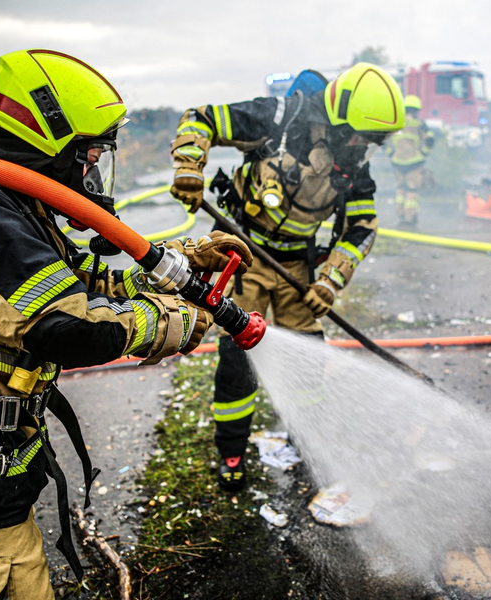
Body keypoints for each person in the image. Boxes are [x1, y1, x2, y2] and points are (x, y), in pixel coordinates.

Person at [0, 49, 251, 599]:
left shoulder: (7, 202)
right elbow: (65, 322)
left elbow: (80, 277)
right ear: (48, 140)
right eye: (89, 154)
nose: (92, 169)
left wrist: (185, 260)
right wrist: (177, 321)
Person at [169, 62, 404, 492]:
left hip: (298, 264)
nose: (361, 147)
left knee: (309, 357)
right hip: (245, 255)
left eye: (372, 142)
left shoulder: (354, 167)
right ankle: (232, 453)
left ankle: (305, 440)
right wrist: (189, 165)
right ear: (337, 117)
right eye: (358, 136)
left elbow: (361, 229)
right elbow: (200, 118)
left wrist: (330, 280)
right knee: (238, 360)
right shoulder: (279, 118)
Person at [384, 94, 435, 224]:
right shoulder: (420, 124)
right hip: (415, 163)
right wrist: (424, 153)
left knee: (400, 188)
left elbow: (384, 141)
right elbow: (430, 140)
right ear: (416, 110)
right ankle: (410, 218)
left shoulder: (396, 123)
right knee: (412, 190)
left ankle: (400, 214)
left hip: (397, 162)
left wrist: (391, 154)